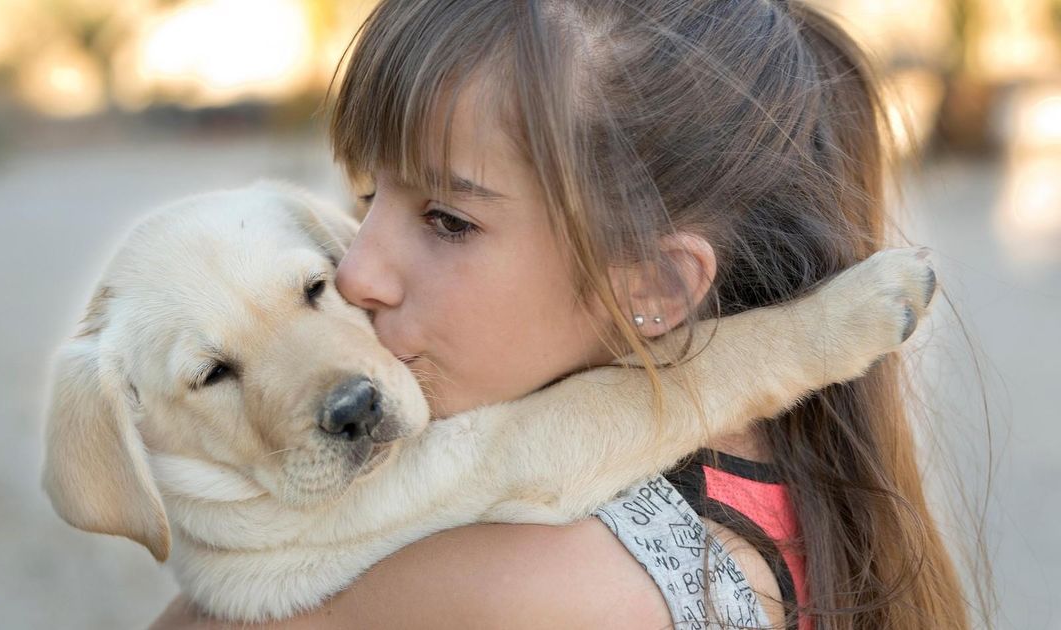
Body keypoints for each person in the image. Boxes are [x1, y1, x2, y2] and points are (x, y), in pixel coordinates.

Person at [151, 0, 973, 628]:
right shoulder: (780, 476)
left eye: (448, 221)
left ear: (651, 287)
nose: (356, 271)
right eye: (368, 197)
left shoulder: (530, 586)